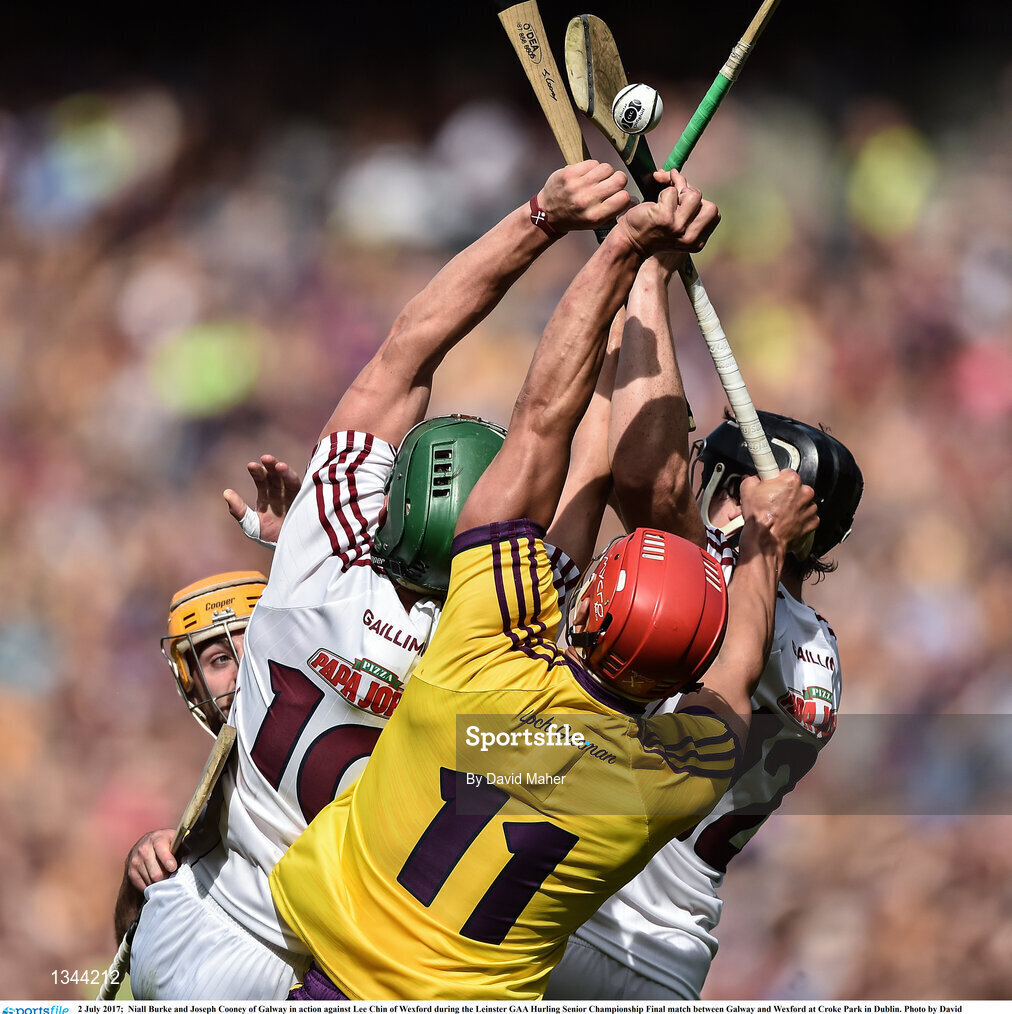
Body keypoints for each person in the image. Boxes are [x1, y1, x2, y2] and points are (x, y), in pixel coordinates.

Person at [268, 170, 819, 1000]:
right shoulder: (663, 782)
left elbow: (538, 422)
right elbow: (731, 682)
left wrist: (625, 253)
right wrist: (764, 546)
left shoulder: (473, 658)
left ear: (590, 608)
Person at [126, 159, 630, 1000]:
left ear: (392, 506)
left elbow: (412, 346)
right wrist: (629, 282)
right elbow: (584, 465)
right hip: (347, 961)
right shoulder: (485, 647)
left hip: (204, 919)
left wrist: (544, 215)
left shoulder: (314, 561)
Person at [544, 252, 864, 1000]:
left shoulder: (725, 584)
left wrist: (643, 278)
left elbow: (646, 480)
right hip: (673, 957)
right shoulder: (822, 653)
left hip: (584, 914)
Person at [112, 570, 267, 944]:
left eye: (259, 646)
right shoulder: (208, 818)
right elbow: (133, 953)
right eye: (219, 660)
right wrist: (138, 881)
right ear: (192, 686)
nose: (243, 672)